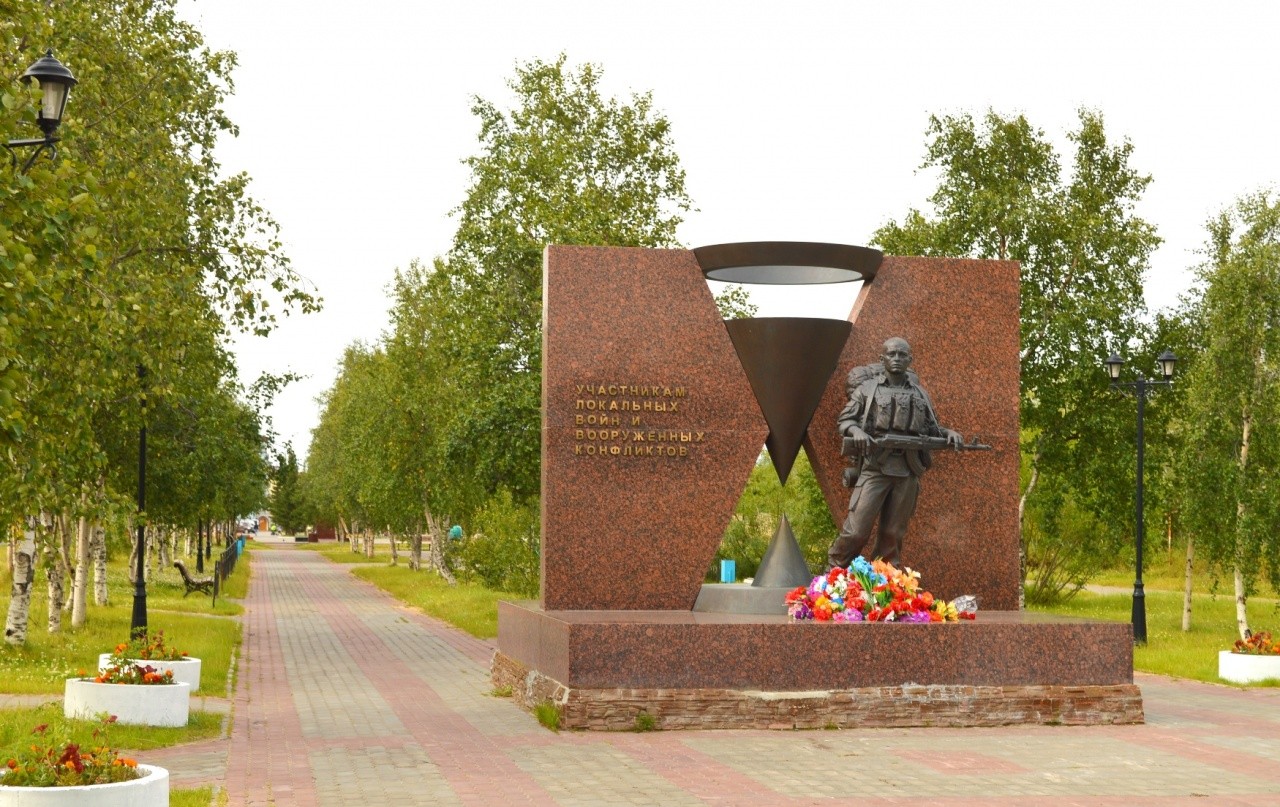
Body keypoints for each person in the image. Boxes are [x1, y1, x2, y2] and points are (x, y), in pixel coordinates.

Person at [826, 337, 962, 569]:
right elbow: (845, 419)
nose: (897, 359)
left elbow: (931, 427)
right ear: (883, 359)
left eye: (902, 355)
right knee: (857, 531)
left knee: (892, 535)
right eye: (892, 354)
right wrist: (856, 430)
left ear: (910, 359)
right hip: (875, 468)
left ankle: (884, 584)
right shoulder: (867, 390)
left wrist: (949, 432)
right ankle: (833, 573)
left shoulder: (920, 394)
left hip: (908, 471)